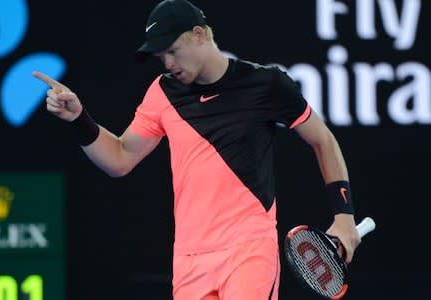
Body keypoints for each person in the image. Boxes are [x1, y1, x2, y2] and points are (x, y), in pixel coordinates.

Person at [33, 0, 361, 299]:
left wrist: (343, 217)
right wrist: (79, 119)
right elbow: (119, 158)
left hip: (249, 251)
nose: (168, 62)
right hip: (189, 260)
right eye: (161, 56)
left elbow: (323, 140)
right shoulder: (162, 92)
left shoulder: (266, 84)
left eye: (173, 50)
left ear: (200, 34)